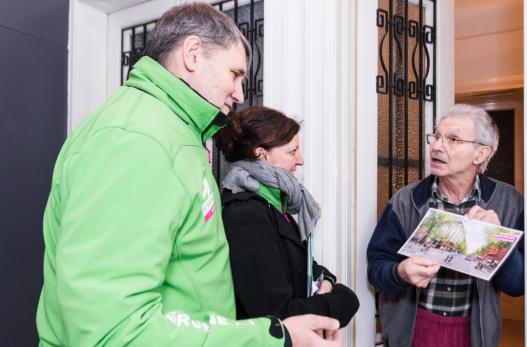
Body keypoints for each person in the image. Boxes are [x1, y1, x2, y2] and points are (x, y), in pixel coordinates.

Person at [36, 3, 342, 346]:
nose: (240, 93)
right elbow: (112, 330)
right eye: (235, 74)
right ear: (193, 54)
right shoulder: (137, 140)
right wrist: (272, 339)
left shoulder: (171, 134)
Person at [367, 104, 524, 347]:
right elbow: (376, 269)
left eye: (453, 139)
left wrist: (496, 236)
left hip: (474, 334)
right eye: (437, 137)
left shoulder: (508, 202)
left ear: (480, 154)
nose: (437, 146)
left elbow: (516, 285)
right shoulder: (406, 200)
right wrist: (401, 272)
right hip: (414, 330)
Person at [215, 106, 359, 327]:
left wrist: (327, 280)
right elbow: (276, 313)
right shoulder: (245, 214)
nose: (300, 160)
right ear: (261, 153)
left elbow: (303, 265)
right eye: (292, 152)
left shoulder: (273, 203)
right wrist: (343, 299)